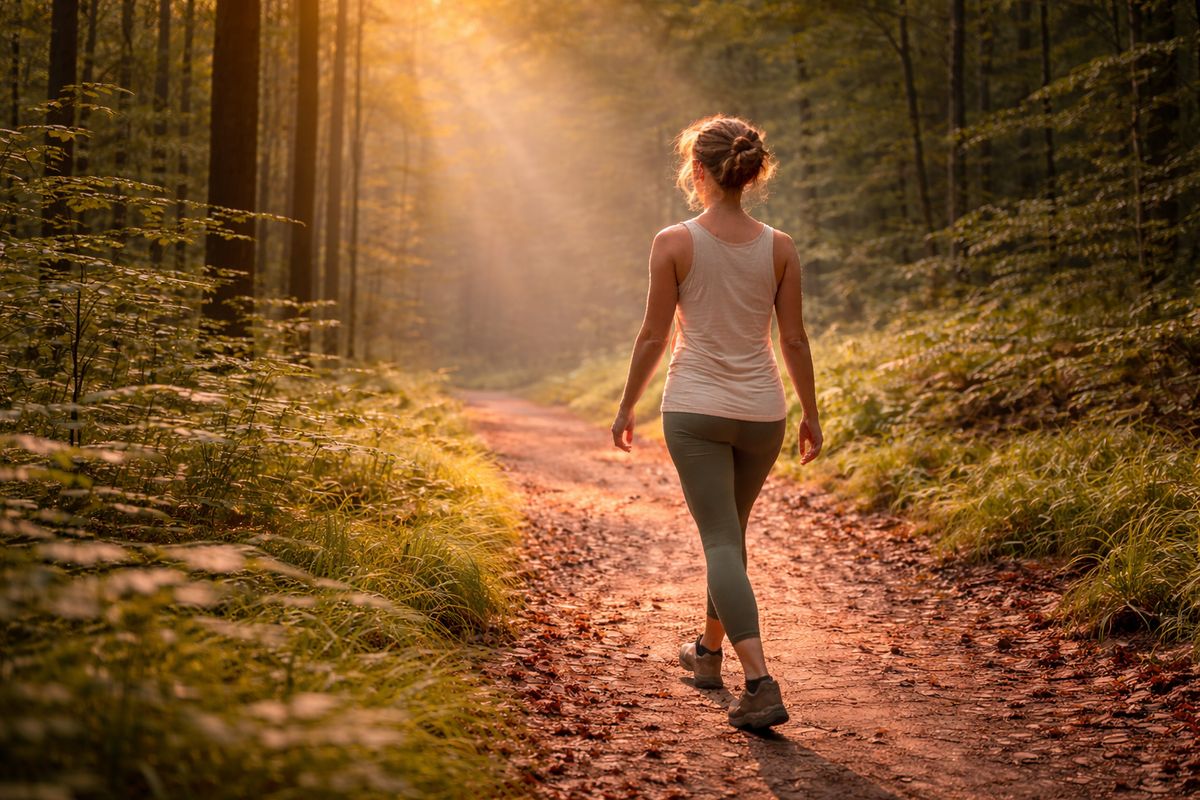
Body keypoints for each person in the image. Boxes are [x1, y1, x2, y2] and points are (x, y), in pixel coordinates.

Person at [610, 114, 822, 730]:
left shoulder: (673, 242)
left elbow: (653, 335)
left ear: (697, 171)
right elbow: (795, 339)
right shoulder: (779, 246)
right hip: (763, 413)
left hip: (696, 410)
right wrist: (809, 411)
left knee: (722, 541)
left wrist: (626, 405)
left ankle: (759, 682)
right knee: (728, 536)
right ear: (751, 173)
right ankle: (706, 656)